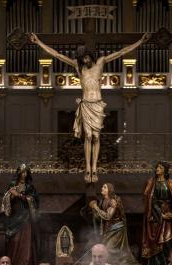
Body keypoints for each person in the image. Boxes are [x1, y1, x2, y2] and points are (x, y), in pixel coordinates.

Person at [30, 32, 150, 183]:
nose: (84, 60)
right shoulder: (79, 68)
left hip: (98, 104)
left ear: (91, 56)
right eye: (82, 58)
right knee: (87, 136)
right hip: (86, 104)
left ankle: (95, 167)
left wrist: (140, 41)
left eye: (86, 57)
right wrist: (38, 42)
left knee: (96, 137)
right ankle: (87, 168)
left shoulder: (100, 62)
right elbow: (58, 55)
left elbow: (121, 52)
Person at [142, 161, 172, 265]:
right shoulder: (152, 182)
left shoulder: (170, 183)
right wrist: (161, 214)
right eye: (156, 167)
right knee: (156, 242)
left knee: (168, 242)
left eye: (159, 167)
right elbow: (151, 200)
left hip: (169, 216)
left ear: (164, 170)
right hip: (156, 217)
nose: (157, 169)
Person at [88, 182, 138, 265]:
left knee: (109, 249)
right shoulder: (102, 201)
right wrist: (94, 209)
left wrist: (96, 207)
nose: (102, 189)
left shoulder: (113, 201)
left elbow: (108, 216)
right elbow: (100, 218)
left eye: (104, 187)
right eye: (102, 187)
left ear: (109, 190)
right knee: (103, 249)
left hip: (116, 228)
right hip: (108, 229)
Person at [2, 164, 39, 265]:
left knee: (25, 241)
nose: (24, 174)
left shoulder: (30, 187)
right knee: (14, 240)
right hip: (14, 217)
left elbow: (34, 200)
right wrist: (11, 196)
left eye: (25, 172)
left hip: (25, 217)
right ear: (18, 173)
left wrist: (19, 195)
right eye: (22, 172)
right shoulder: (12, 185)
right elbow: (5, 200)